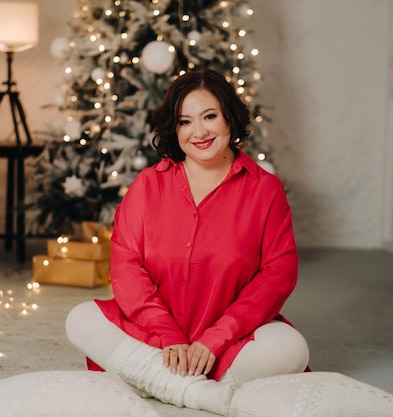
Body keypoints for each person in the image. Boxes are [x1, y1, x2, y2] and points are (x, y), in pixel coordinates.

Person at [66, 68, 309, 415]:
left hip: (230, 342)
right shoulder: (148, 185)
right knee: (80, 318)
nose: (199, 132)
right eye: (185, 122)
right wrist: (169, 336)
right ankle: (201, 393)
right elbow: (126, 267)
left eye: (209, 117)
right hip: (154, 339)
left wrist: (214, 339)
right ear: (174, 129)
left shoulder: (265, 190)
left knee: (291, 348)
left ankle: (160, 385)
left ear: (230, 119)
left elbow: (277, 275)